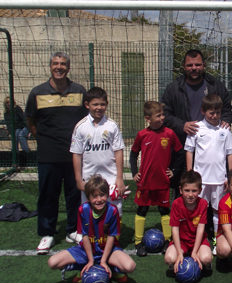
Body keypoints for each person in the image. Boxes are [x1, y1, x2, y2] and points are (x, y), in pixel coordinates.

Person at [25, 52, 87, 254]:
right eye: (55, 64)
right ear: (50, 66)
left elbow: (86, 121)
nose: (58, 67)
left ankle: (72, 230)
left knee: (75, 194)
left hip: (74, 155)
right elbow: (31, 121)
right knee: (47, 195)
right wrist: (44, 140)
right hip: (48, 154)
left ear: (68, 68)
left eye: (62, 64)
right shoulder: (37, 92)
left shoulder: (79, 91)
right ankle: (47, 232)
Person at [162, 49, 232, 196]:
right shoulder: (173, 88)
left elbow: (227, 107)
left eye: (197, 64)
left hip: (211, 148)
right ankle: (183, 217)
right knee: (185, 189)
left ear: (204, 65)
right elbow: (165, 115)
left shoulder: (216, 86)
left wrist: (226, 120)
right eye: (190, 65)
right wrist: (182, 125)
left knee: (214, 190)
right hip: (183, 147)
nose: (194, 68)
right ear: (184, 66)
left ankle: (210, 218)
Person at [47, 175, 136, 283]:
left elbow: (111, 237)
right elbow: (84, 236)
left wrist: (103, 261)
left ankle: (112, 267)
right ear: (88, 197)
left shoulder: (112, 210)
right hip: (86, 250)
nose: (99, 199)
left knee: (130, 266)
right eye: (94, 196)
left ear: (107, 195)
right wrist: (90, 260)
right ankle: (83, 266)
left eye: (102, 195)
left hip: (108, 251)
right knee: (53, 263)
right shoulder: (83, 209)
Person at [130, 101, 183, 257]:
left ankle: (168, 241)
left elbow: (180, 152)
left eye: (162, 114)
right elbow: (133, 154)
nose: (162, 118)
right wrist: (134, 173)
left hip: (162, 182)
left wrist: (174, 170)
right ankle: (138, 243)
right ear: (148, 118)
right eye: (158, 115)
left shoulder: (169, 133)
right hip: (145, 182)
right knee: (142, 209)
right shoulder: (142, 135)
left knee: (164, 210)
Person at [184, 94, 232, 255]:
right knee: (198, 210)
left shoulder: (225, 130)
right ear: (203, 111)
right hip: (201, 180)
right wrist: (190, 174)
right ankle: (195, 240)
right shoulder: (196, 128)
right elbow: (189, 151)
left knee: (217, 211)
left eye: (218, 113)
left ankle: (215, 239)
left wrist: (230, 176)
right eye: (211, 113)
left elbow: (230, 153)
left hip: (219, 179)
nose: (215, 116)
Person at [70, 87, 125, 217]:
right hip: (89, 179)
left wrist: (119, 178)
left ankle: (113, 237)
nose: (98, 107)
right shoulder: (80, 127)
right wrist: (79, 180)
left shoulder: (112, 126)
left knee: (115, 213)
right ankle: (93, 237)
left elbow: (118, 152)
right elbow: (76, 154)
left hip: (111, 179)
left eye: (102, 104)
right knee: (90, 214)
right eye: (95, 104)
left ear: (107, 104)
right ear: (87, 105)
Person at [164, 170, 212, 272]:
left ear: (200, 190)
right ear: (180, 190)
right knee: (169, 258)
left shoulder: (203, 204)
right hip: (182, 241)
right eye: (187, 190)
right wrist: (179, 253)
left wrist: (194, 252)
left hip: (198, 240)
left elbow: (200, 229)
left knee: (206, 259)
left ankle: (199, 258)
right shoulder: (177, 204)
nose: (190, 194)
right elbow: (175, 230)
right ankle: (182, 255)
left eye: (194, 191)